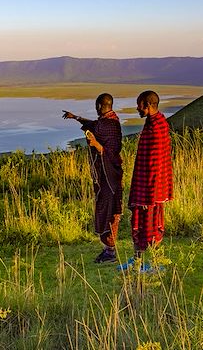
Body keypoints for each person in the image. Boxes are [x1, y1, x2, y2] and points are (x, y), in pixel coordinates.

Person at [62, 93, 123, 263]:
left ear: (101, 106)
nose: (96, 109)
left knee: (110, 209)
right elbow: (94, 125)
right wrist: (75, 117)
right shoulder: (105, 121)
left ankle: (110, 250)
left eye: (98, 106)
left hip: (110, 176)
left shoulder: (112, 124)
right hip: (103, 176)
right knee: (104, 207)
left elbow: (112, 150)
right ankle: (108, 248)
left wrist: (96, 144)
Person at [118, 90, 173, 273]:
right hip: (146, 188)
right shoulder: (154, 123)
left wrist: (148, 197)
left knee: (149, 226)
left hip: (150, 191)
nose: (137, 108)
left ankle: (155, 264)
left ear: (148, 105)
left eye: (139, 105)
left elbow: (155, 165)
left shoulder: (157, 128)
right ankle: (137, 262)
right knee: (140, 226)